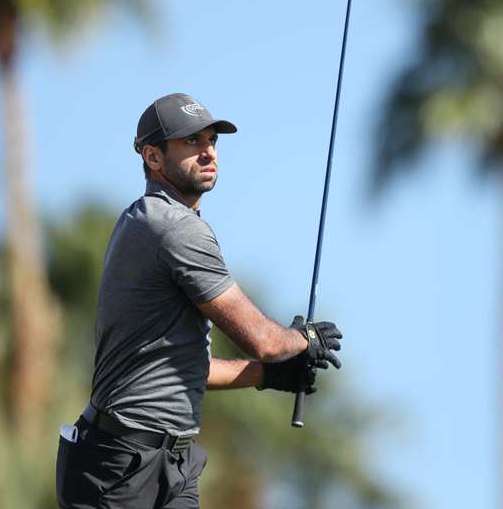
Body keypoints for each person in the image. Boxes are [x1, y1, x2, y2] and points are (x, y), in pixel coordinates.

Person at [55, 93, 343, 509]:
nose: (208, 151)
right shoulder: (171, 227)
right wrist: (303, 340)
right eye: (191, 142)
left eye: (211, 140)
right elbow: (262, 338)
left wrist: (269, 375)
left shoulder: (155, 219)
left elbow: (187, 367)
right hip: (118, 467)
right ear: (153, 158)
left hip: (171, 463)